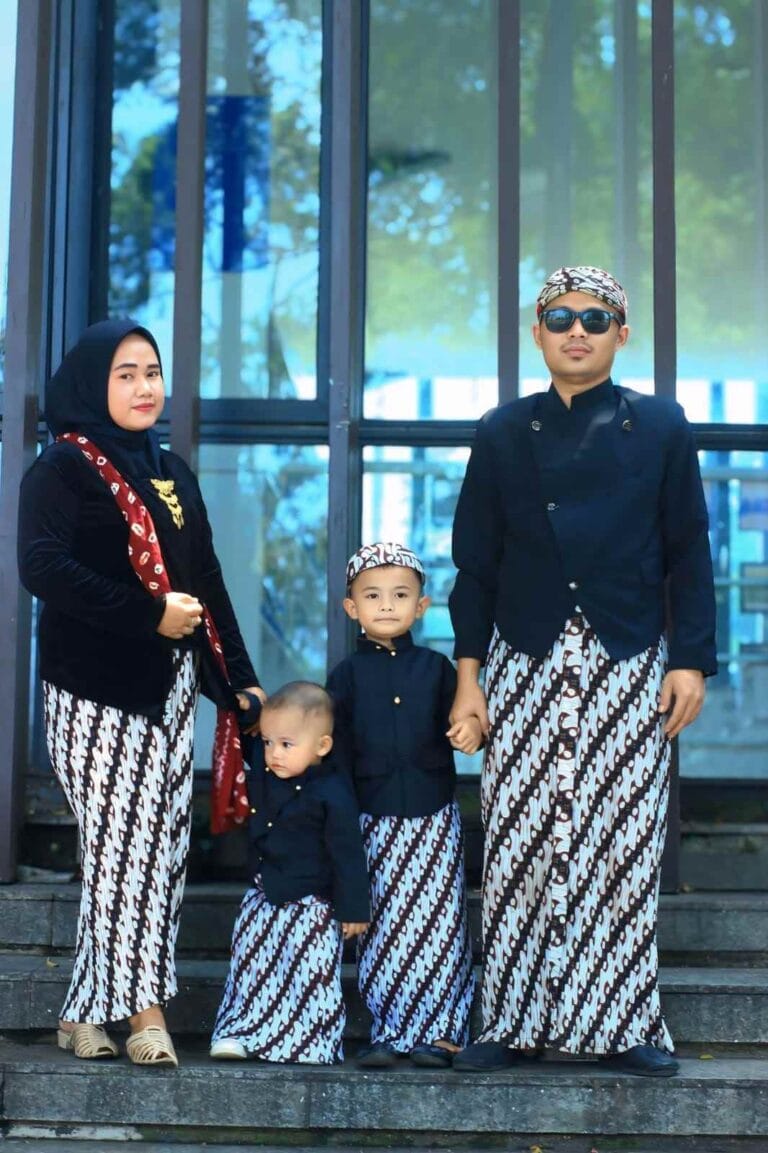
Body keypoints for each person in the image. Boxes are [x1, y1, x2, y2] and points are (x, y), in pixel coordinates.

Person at [448, 266, 717, 1078]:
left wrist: (691, 660)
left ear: (621, 334)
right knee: (519, 839)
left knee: (623, 841)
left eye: (595, 319)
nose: (577, 331)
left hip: (628, 656)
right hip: (524, 657)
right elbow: (475, 566)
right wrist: (468, 677)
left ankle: (625, 1022)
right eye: (560, 317)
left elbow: (689, 551)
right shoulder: (501, 430)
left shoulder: (663, 426)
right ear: (537, 332)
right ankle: (509, 1020)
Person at [17, 318, 264, 1067]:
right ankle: (145, 1013)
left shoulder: (171, 470)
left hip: (169, 687)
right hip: (93, 689)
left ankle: (81, 1011)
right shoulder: (61, 467)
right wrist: (148, 613)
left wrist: (240, 678)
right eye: (125, 374)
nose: (144, 386)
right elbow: (41, 566)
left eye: (151, 371)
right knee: (125, 850)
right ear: (94, 384)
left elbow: (206, 578)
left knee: (155, 853)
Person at [327, 542, 481, 1069]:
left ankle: (441, 1033)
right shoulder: (345, 677)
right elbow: (335, 755)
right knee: (384, 927)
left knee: (439, 927)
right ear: (352, 607)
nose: (387, 605)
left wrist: (471, 731)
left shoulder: (438, 670)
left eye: (400, 595)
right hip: (373, 820)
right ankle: (389, 1031)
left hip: (433, 818)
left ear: (421, 606)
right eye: (373, 596)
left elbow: (467, 722)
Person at [210, 681, 369, 1064]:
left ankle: (308, 1041)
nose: (273, 753)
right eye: (268, 742)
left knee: (310, 972)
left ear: (322, 746)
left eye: (286, 744)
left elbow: (347, 853)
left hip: (312, 904)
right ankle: (240, 1032)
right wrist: (250, 705)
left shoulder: (333, 791)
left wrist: (353, 909)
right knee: (252, 966)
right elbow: (244, 729)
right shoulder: (266, 774)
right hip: (263, 897)